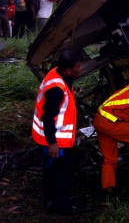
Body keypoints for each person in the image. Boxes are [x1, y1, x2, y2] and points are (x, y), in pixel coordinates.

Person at [31, 50, 83, 215]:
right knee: (62, 174)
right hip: (54, 142)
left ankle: (51, 201)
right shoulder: (56, 88)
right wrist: (52, 143)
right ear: (68, 69)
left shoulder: (57, 73)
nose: (80, 69)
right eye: (77, 67)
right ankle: (61, 206)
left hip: (53, 139)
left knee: (52, 171)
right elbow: (48, 117)